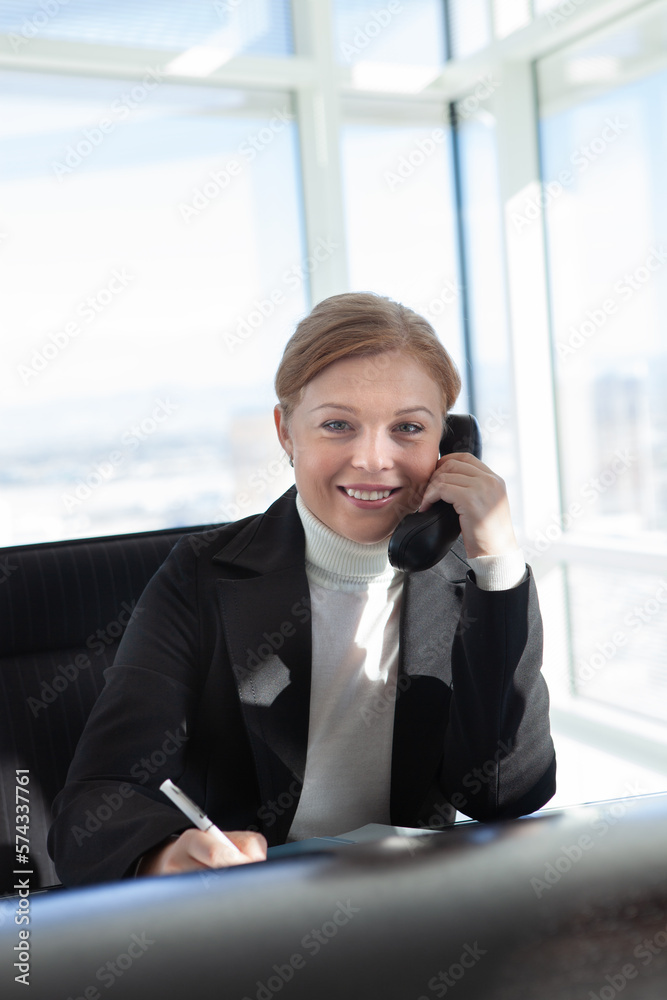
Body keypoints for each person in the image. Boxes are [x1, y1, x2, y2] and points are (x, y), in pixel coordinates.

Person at [48, 291, 556, 886]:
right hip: (251, 913)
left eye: (409, 428)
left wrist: (497, 566)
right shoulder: (202, 576)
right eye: (338, 425)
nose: (373, 459)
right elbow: (92, 804)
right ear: (286, 432)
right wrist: (164, 857)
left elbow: (505, 794)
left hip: (414, 911)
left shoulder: (468, 581)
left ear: (448, 443)